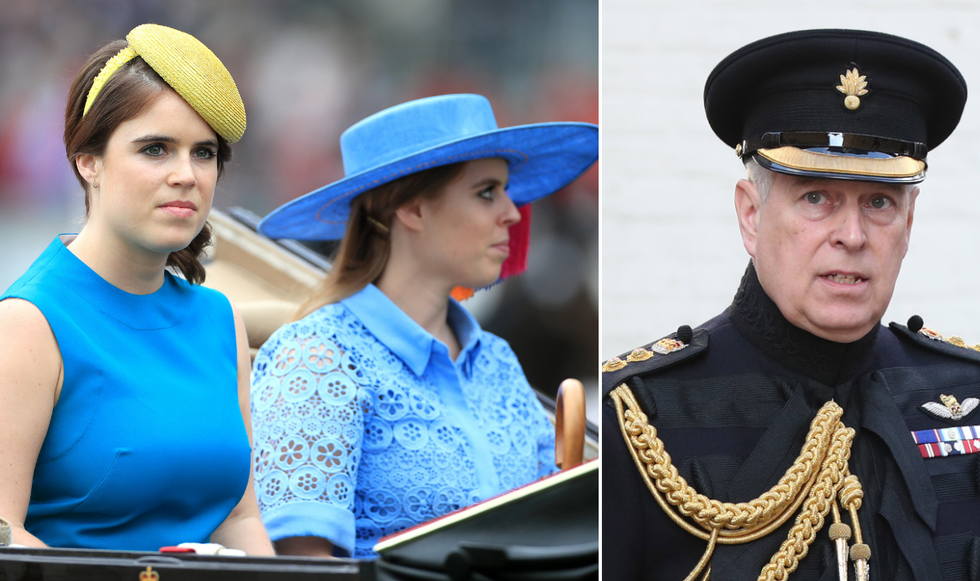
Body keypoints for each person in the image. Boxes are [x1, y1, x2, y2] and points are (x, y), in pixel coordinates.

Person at [602, 29, 980, 580]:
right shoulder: (642, 418)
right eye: (815, 197)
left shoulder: (967, 395)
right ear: (751, 215)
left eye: (879, 202)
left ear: (909, 223)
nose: (851, 234)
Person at [250, 93, 598, 558]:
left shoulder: (497, 361)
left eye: (504, 190)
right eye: (486, 192)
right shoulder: (317, 356)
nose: (513, 213)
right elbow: (303, 567)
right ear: (412, 209)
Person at [0, 24, 274, 554]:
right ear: (88, 162)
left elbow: (239, 520)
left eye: (204, 153)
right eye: (155, 149)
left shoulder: (220, 319)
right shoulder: (28, 323)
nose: (186, 175)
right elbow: (4, 538)